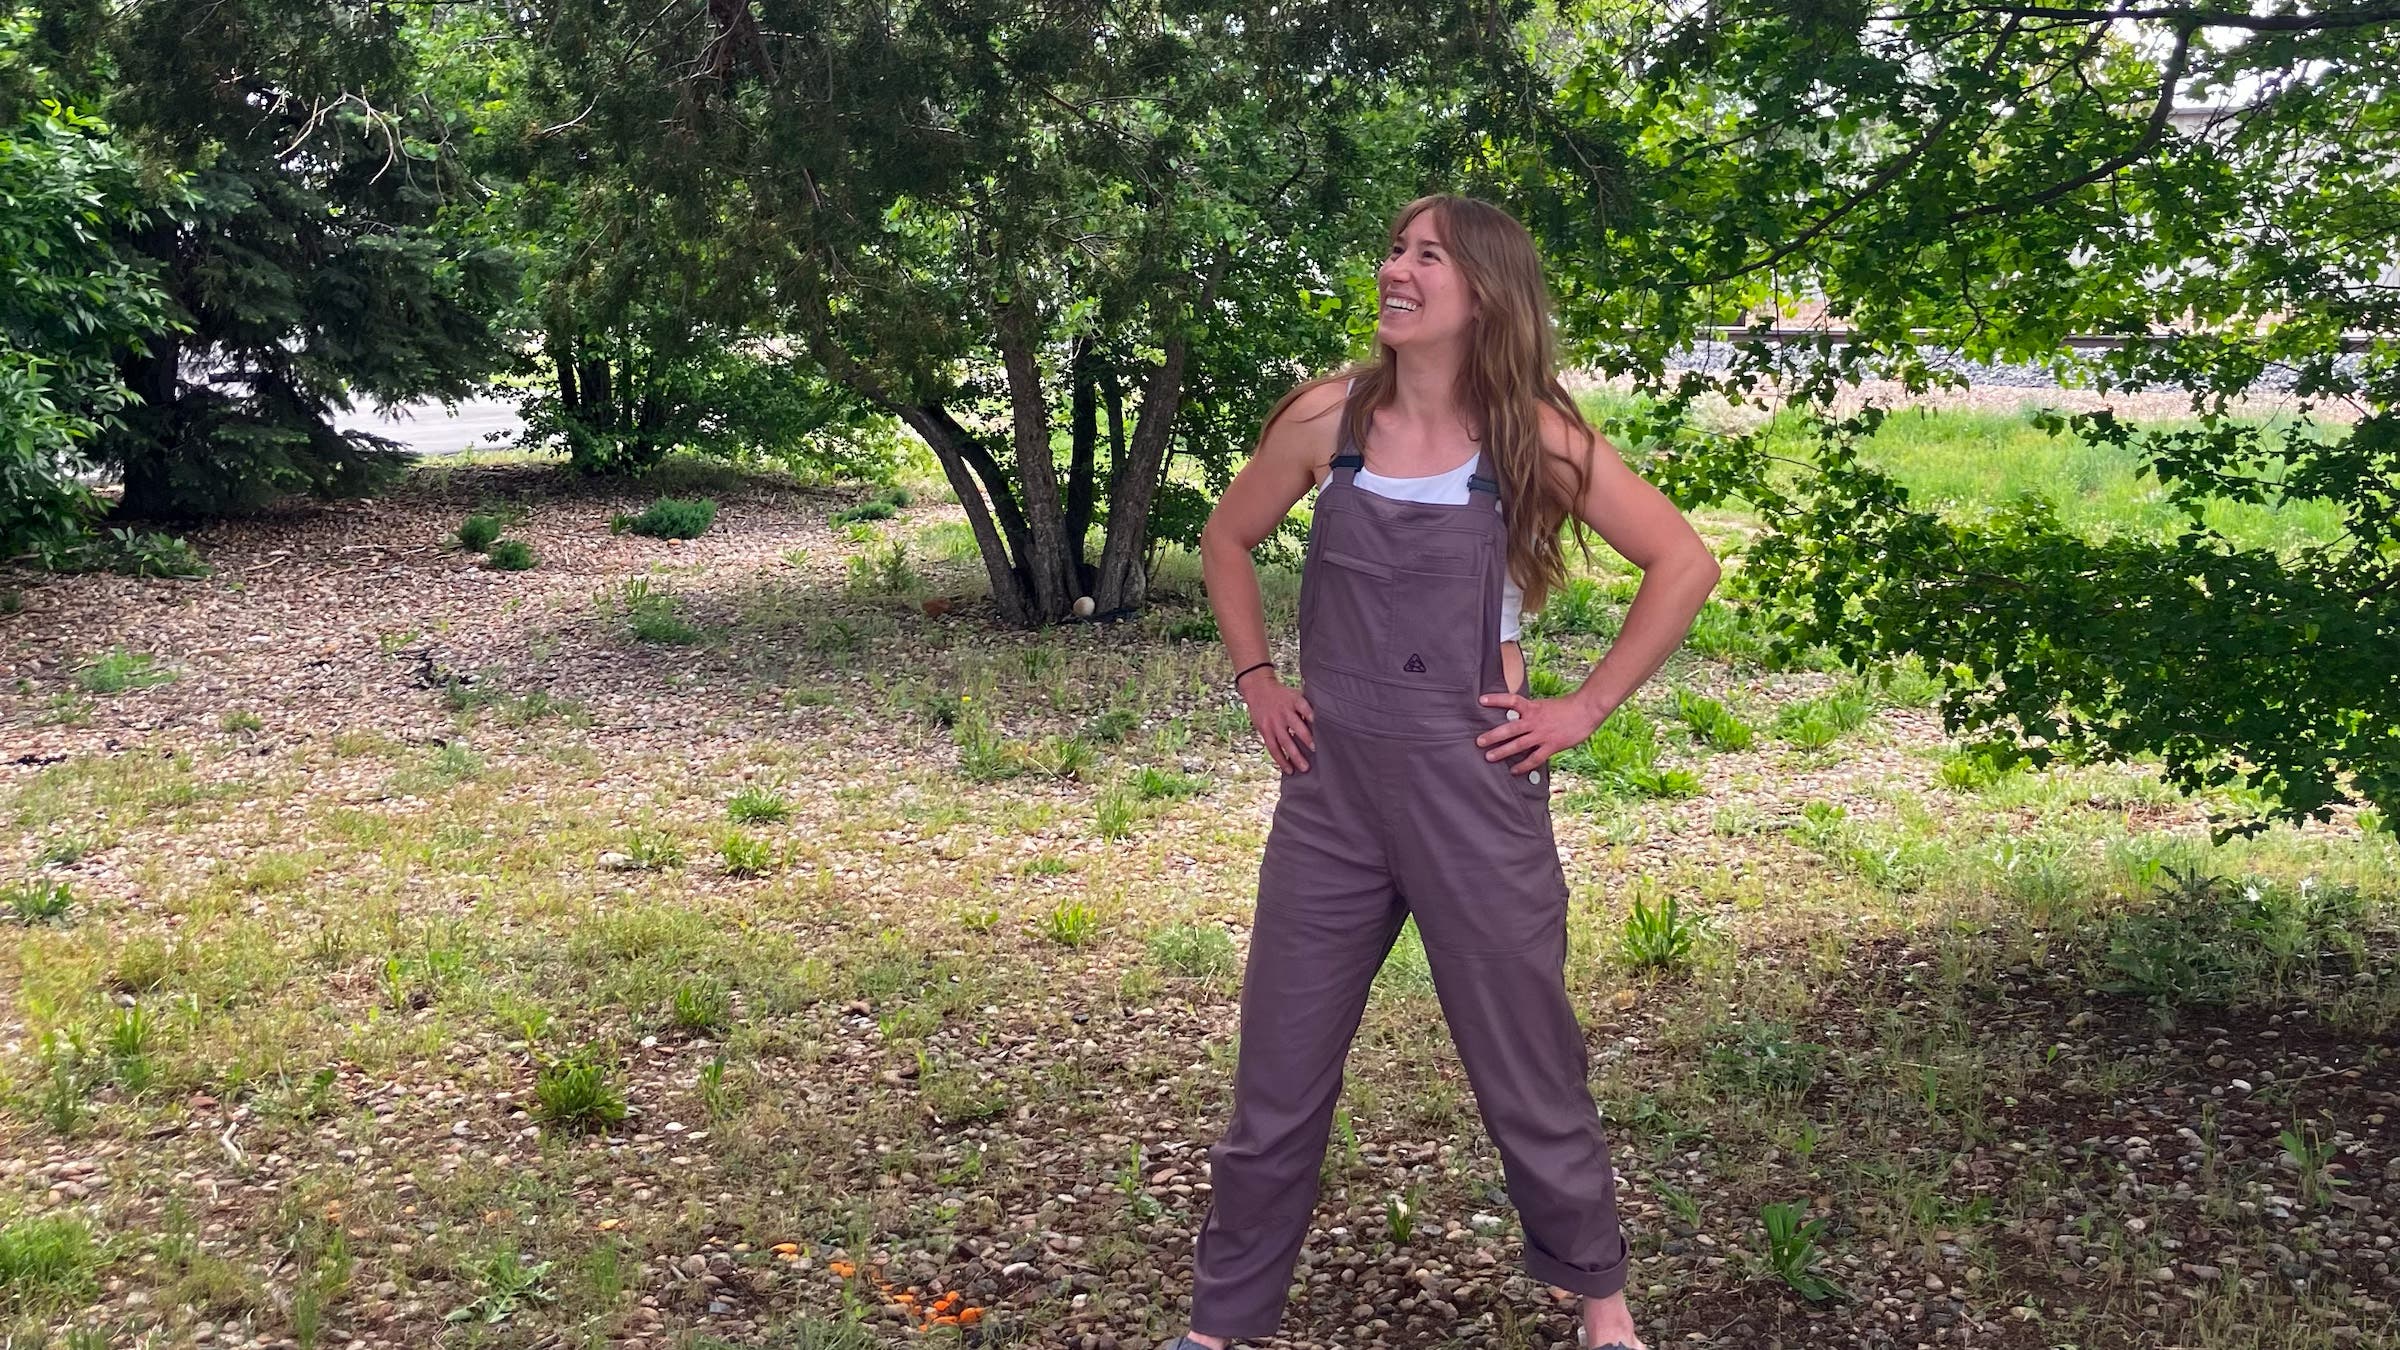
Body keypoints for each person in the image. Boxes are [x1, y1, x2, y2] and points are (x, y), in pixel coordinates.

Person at [1156, 194, 1722, 1350]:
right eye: (1395, 250)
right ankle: (1222, 1324)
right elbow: (1227, 539)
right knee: (1278, 1075)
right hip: (1333, 795)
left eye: (1429, 257)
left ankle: (1602, 1304)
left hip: (1474, 788)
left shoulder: (1533, 438)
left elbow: (1682, 561)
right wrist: (1258, 677)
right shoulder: (1329, 422)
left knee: (1527, 1063)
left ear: (1485, 294)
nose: (1395, 271)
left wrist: (1585, 708)